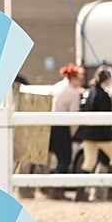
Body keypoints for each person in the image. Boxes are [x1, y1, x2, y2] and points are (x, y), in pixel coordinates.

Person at [78, 66, 112, 201]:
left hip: (88, 133)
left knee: (89, 163)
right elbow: (106, 115)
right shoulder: (103, 95)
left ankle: (80, 194)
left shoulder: (89, 91)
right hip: (101, 134)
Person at [47, 64, 85, 200]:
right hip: (63, 128)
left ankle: (55, 189)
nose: (81, 82)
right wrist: (72, 133)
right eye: (79, 79)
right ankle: (56, 189)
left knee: (59, 158)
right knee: (65, 159)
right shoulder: (73, 94)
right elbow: (74, 117)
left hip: (52, 126)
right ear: (73, 78)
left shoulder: (58, 86)